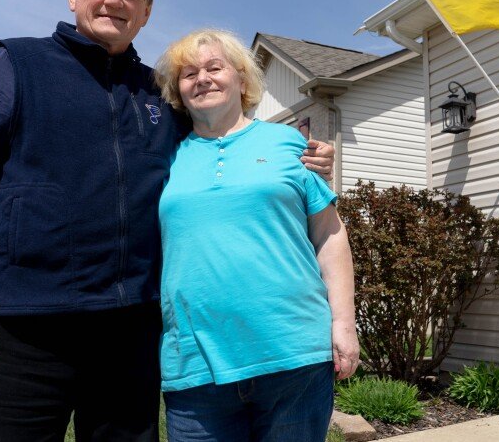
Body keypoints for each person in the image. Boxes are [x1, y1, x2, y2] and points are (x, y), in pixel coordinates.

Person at [0, 0, 334, 442]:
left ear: (146, 11)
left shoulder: (159, 93)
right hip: (28, 324)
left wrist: (305, 158)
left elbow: (230, 148)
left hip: (130, 332)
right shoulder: (19, 63)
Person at [154, 29, 360, 442]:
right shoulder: (164, 155)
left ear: (242, 80)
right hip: (195, 364)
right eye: (189, 73)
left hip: (293, 355)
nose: (203, 78)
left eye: (215, 67)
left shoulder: (287, 143)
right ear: (178, 91)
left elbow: (329, 233)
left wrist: (343, 322)